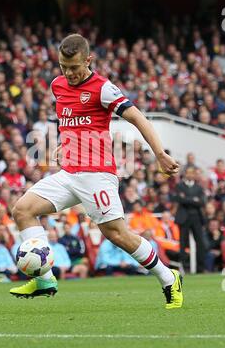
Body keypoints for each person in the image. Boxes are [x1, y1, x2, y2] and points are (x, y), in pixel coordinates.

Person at [10, 34, 183, 309]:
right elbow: (71, 118)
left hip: (97, 174)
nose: (69, 73)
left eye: (75, 67)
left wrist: (159, 153)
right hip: (69, 173)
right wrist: (64, 144)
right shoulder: (58, 85)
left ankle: (168, 276)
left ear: (88, 60)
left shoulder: (103, 88)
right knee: (23, 210)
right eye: (63, 67)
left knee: (117, 234)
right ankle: (45, 281)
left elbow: (138, 117)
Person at [175, 167, 206, 273]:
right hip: (184, 217)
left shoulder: (199, 187)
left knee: (200, 242)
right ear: (185, 174)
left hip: (196, 217)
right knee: (183, 243)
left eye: (192, 173)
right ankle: (185, 267)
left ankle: (200, 268)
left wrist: (187, 199)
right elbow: (180, 199)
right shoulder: (179, 186)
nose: (190, 175)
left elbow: (202, 202)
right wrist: (194, 199)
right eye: (188, 173)